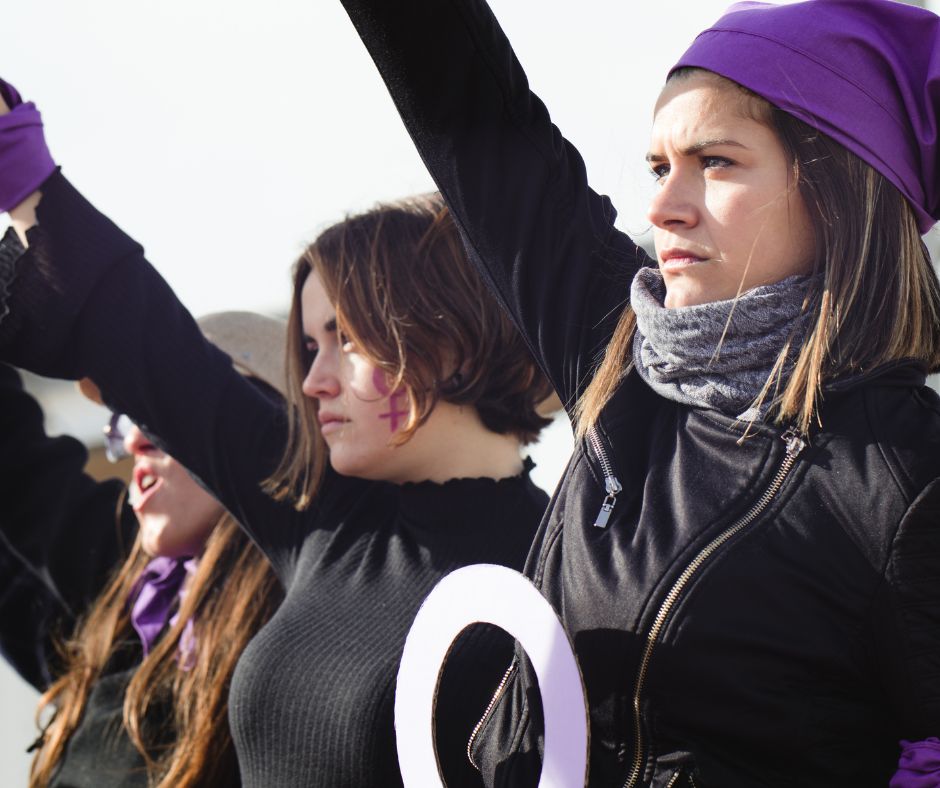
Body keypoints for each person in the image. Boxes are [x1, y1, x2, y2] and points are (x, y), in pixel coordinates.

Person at [333, 0, 940, 785]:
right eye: (659, 167)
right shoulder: (617, 350)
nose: (662, 205)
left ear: (838, 189)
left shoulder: (906, 480)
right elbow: (463, 101)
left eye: (714, 161)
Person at [0, 80, 554, 786]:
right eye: (309, 345)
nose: (314, 380)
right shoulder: (326, 518)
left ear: (447, 341)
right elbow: (149, 346)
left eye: (345, 339)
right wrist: (20, 166)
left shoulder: (567, 568)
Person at [0, 311, 287, 787]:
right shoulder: (124, 596)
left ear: (257, 431)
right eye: (125, 417)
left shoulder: (310, 625)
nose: (134, 439)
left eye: (160, 416)